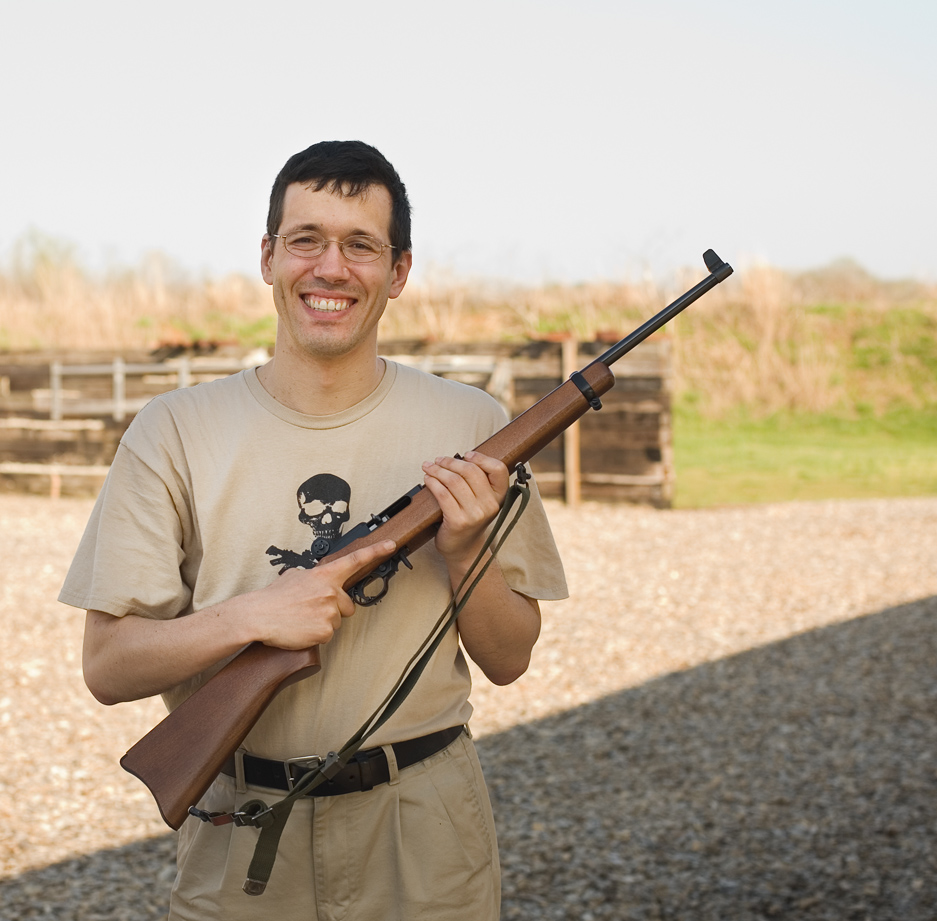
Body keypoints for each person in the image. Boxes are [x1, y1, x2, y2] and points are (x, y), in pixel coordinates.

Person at [60, 140, 567, 921]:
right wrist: (250, 618)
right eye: (307, 240)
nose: (331, 268)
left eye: (361, 245)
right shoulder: (173, 430)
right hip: (241, 822)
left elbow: (510, 658)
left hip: (424, 824)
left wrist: (465, 554)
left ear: (398, 272)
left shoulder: (472, 425)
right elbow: (108, 666)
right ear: (268, 256)